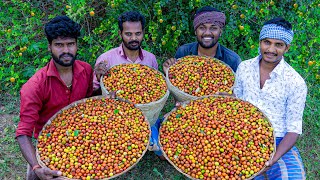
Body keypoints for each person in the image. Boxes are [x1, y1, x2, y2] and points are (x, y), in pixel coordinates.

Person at [15, 15, 93, 180]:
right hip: (50, 143)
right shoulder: (35, 86)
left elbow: (89, 102)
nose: (66, 50)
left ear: (76, 45)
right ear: (49, 47)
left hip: (83, 134)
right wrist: (37, 167)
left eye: (70, 44)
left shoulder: (86, 70)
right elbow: (23, 133)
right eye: (59, 45)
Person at [233, 17, 307, 179]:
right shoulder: (244, 68)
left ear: (287, 47)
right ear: (260, 42)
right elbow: (236, 102)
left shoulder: (295, 82)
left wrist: (273, 158)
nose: (271, 49)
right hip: (242, 134)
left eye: (278, 45)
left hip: (278, 140)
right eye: (267, 42)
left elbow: (293, 130)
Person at [93, 11, 158, 95]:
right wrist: (99, 80)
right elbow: (91, 95)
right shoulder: (106, 59)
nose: (134, 38)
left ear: (143, 32)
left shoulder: (151, 59)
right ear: (120, 34)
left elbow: (156, 88)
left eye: (138, 33)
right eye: (128, 34)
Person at [162, 6, 242, 73]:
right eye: (202, 28)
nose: (207, 33)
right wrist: (168, 72)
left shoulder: (233, 60)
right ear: (196, 31)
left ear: (220, 32)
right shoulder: (183, 52)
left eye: (213, 28)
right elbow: (176, 83)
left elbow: (239, 90)